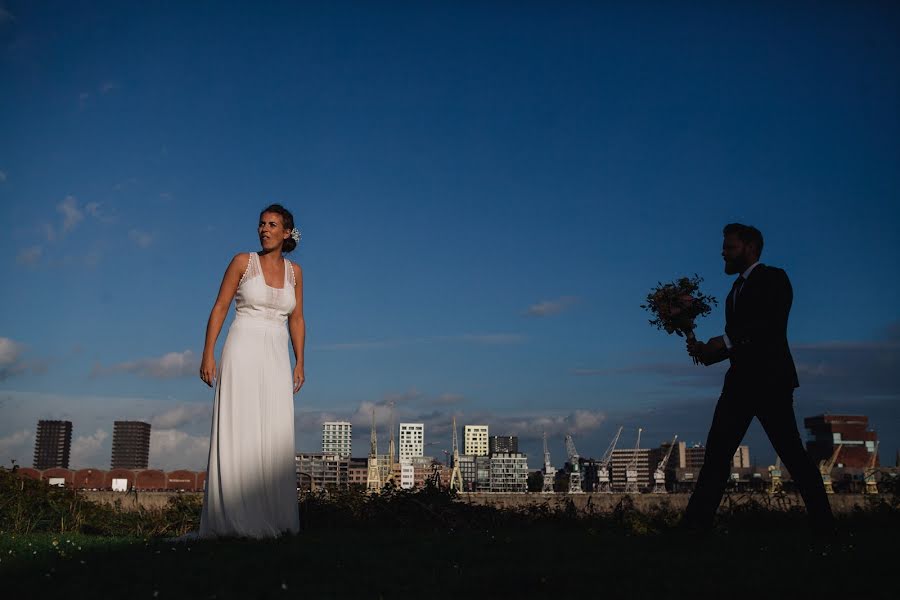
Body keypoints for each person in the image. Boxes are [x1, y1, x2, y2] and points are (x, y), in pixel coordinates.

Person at [685, 223, 834, 537]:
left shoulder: (774, 278)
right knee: (715, 457)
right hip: (738, 384)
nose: (723, 252)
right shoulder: (733, 292)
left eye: (729, 247)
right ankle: (694, 528)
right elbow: (737, 343)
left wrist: (722, 342)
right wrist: (705, 351)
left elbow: (768, 324)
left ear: (750, 248)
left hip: (769, 383)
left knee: (793, 455)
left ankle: (825, 527)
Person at [195, 204, 305, 538]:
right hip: (242, 347)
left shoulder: (295, 272)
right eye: (261, 224)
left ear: (287, 233)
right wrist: (207, 354)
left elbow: (297, 319)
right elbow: (220, 306)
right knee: (240, 425)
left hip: (276, 354)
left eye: (272, 224)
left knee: (274, 432)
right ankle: (235, 518)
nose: (264, 229)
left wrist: (300, 361)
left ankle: (275, 516)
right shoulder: (243, 262)